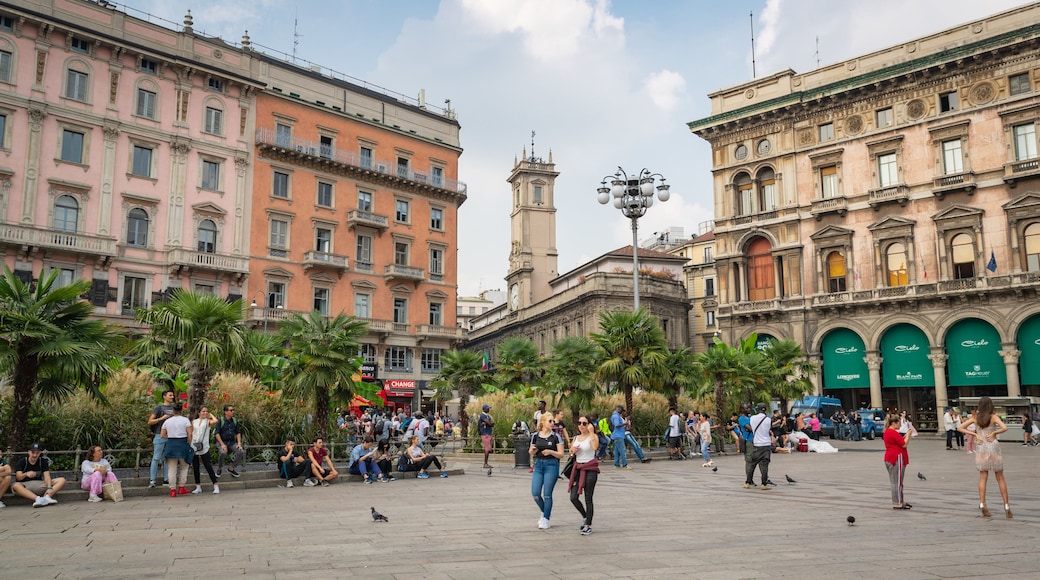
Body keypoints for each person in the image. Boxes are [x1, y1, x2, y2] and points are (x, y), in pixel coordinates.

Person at [957, 397, 1012, 518]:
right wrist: (994, 433)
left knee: (983, 477)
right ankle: (1006, 505)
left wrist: (975, 433)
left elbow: (960, 427)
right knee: (1000, 477)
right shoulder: (993, 416)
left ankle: (982, 503)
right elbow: (1005, 427)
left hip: (981, 446)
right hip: (993, 446)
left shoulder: (975, 418)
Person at [529, 413, 564, 529]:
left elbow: (561, 454)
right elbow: (530, 450)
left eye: (553, 421)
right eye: (550, 421)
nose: (552, 423)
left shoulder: (555, 437)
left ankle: (546, 518)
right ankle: (544, 511)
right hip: (539, 465)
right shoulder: (535, 436)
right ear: (543, 422)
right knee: (535, 493)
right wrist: (533, 451)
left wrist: (550, 451)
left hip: (551, 465)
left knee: (547, 494)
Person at [568, 414, 600, 536]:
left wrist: (591, 432)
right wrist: (572, 452)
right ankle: (585, 516)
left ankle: (588, 525)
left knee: (588, 497)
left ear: (589, 425)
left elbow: (594, 447)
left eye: (584, 423)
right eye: (580, 423)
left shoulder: (593, 436)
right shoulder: (576, 437)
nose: (581, 426)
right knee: (573, 497)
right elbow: (571, 454)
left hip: (590, 468)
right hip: (578, 469)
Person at [11, 443, 66, 507]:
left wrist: (49, 487)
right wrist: (26, 474)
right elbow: (18, 477)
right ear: (29, 452)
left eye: (37, 453)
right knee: (16, 486)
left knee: (62, 480)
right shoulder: (22, 461)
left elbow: (47, 476)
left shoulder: (43, 461)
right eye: (33, 452)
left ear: (40, 453)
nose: (35, 455)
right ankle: (38, 499)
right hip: (24, 485)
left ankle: (47, 497)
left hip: (39, 485)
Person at [161, 404, 193, 497]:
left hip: (171, 445)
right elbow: (190, 434)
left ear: (173, 411)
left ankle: (172, 489)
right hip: (182, 444)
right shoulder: (185, 420)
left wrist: (170, 436)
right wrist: (189, 444)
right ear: (181, 410)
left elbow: (162, 435)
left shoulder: (167, 421)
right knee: (184, 467)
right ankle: (182, 487)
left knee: (171, 469)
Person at [146, 389, 176, 488]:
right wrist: (161, 418)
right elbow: (150, 421)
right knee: (156, 457)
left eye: (172, 395)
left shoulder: (174, 407)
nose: (172, 397)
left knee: (167, 458)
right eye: (170, 395)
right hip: (160, 434)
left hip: (171, 435)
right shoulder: (159, 407)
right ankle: (152, 480)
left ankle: (166, 479)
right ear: (164, 396)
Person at [883, 413, 912, 509]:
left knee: (896, 481)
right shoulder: (892, 432)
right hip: (896, 457)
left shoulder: (888, 432)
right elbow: (904, 444)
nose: (900, 425)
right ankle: (898, 502)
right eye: (899, 423)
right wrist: (908, 434)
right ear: (894, 423)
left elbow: (898, 442)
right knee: (897, 482)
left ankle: (900, 500)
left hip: (890, 457)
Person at [190, 406, 220, 494]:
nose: (205, 413)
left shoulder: (207, 422)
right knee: (196, 467)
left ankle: (215, 485)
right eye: (203, 411)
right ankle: (198, 486)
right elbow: (191, 433)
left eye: (206, 411)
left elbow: (215, 421)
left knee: (208, 466)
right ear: (199, 412)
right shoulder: (194, 422)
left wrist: (211, 416)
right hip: (194, 445)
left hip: (204, 446)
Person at [744, 404, 772, 490]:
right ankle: (764, 484)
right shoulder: (768, 419)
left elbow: (751, 427)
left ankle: (747, 482)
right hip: (766, 445)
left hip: (757, 445)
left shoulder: (752, 418)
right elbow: (768, 430)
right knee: (765, 466)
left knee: (752, 465)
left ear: (757, 409)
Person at [215, 404, 245, 478]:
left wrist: (239, 443)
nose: (233, 412)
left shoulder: (234, 421)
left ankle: (231, 468)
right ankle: (219, 468)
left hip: (231, 442)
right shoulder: (221, 420)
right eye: (231, 410)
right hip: (222, 442)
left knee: (241, 451)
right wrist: (222, 444)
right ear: (226, 412)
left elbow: (238, 432)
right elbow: (217, 433)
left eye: (233, 410)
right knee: (223, 452)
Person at [478, 404, 495, 469]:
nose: (488, 409)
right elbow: (490, 423)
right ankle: (485, 463)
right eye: (487, 408)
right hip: (485, 434)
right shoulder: (483, 416)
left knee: (488, 448)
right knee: (487, 449)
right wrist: (489, 423)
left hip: (488, 433)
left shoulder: (488, 416)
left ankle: (486, 463)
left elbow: (492, 423)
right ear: (484, 409)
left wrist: (490, 423)